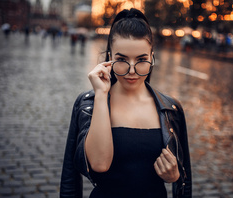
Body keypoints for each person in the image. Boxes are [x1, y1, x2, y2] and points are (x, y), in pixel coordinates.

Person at [60, 8, 192, 198]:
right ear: (109, 58)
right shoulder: (88, 103)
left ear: (152, 57)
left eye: (141, 60)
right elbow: (97, 165)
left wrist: (175, 175)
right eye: (121, 59)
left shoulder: (171, 109)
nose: (131, 70)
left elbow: (185, 182)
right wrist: (100, 95)